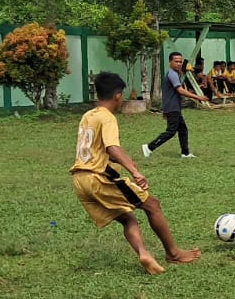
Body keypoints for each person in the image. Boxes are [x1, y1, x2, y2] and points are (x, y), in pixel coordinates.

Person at [74, 72, 201, 275]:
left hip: (79, 180)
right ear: (117, 96)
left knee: (128, 218)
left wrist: (124, 161)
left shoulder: (88, 116)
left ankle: (144, 253)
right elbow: (112, 147)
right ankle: (174, 253)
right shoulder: (107, 118)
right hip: (98, 177)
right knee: (152, 205)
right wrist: (134, 171)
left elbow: (99, 150)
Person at [144, 52, 210, 160]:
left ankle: (185, 153)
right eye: (176, 61)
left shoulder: (174, 73)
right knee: (171, 131)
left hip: (174, 107)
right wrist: (198, 97)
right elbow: (180, 90)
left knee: (183, 129)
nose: (179, 64)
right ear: (170, 62)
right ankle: (149, 147)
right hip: (172, 107)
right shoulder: (172, 74)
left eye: (180, 61)